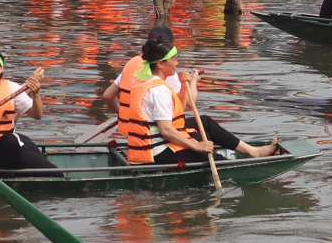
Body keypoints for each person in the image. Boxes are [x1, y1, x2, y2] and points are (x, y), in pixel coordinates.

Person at [117, 37, 283, 165]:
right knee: (209, 155)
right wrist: (197, 146)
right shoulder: (158, 90)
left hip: (158, 142)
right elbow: (166, 130)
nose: (177, 63)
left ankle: (252, 152)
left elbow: (177, 115)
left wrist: (184, 85)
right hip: (157, 152)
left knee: (204, 122)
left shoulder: (153, 82)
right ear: (160, 64)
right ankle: (232, 164)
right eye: (174, 59)